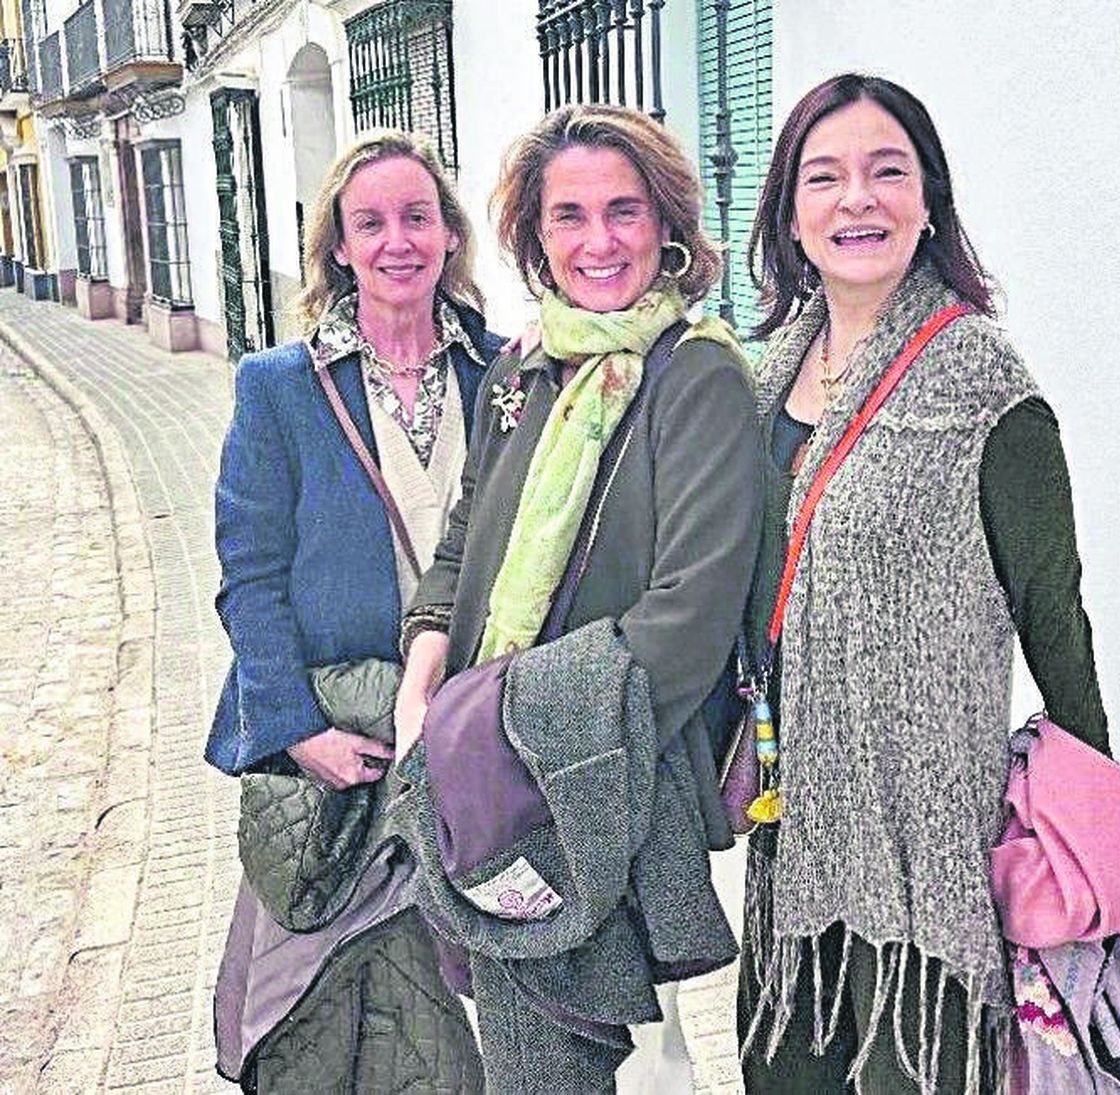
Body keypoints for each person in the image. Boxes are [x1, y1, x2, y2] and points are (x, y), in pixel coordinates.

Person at [735, 74, 1112, 1094]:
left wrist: (1088, 833)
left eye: (885, 171)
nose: (856, 198)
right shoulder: (762, 374)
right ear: (790, 213)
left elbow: (1051, 613)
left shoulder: (986, 386)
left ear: (929, 199)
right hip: (792, 841)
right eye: (825, 177)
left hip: (926, 861)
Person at [394, 103, 760, 1092]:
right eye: (569, 217)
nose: (598, 241)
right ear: (534, 237)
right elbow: (467, 540)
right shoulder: (519, 371)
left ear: (667, 227)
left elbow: (691, 614)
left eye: (623, 212)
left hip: (614, 779)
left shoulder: (699, 378)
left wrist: (504, 724)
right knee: (527, 1052)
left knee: (629, 1064)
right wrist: (428, 656)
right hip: (493, 783)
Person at [206, 130, 499, 1090]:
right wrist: (297, 733)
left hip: (465, 742)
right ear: (337, 246)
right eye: (369, 223)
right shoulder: (280, 387)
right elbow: (249, 577)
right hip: (341, 750)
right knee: (322, 1012)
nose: (396, 241)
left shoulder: (505, 377)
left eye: (418, 217)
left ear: (450, 236)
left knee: (460, 1007)